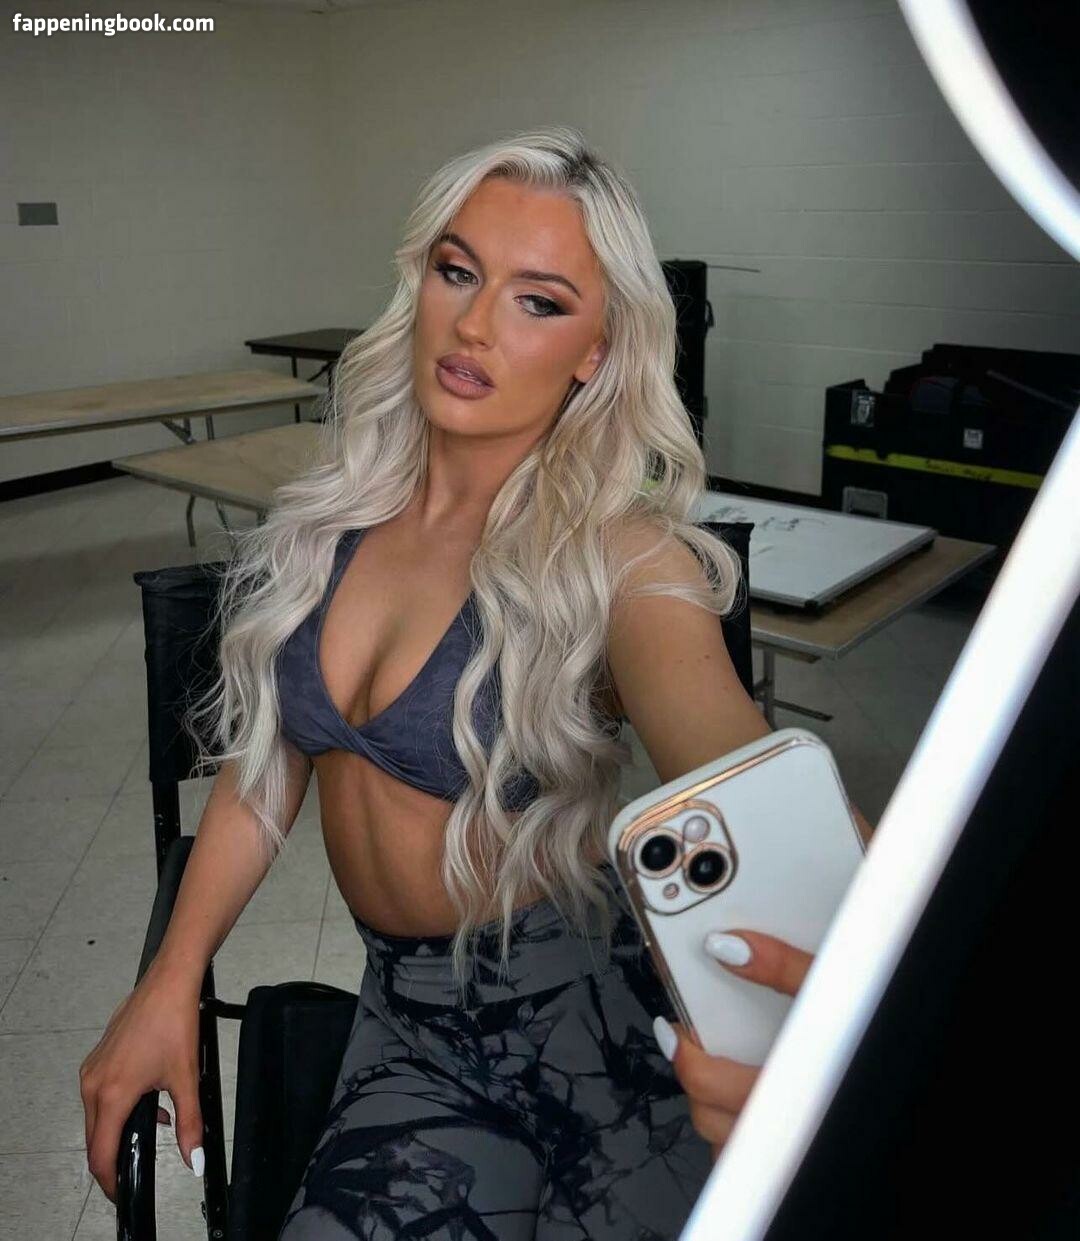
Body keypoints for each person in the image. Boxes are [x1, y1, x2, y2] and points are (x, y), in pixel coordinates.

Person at [79, 127, 874, 1239]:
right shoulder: (329, 520)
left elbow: (752, 780)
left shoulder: (621, 560)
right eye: (459, 271)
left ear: (596, 349)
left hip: (597, 1029)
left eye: (538, 301)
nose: (476, 323)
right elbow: (267, 768)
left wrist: (876, 937)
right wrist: (171, 974)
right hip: (411, 1029)